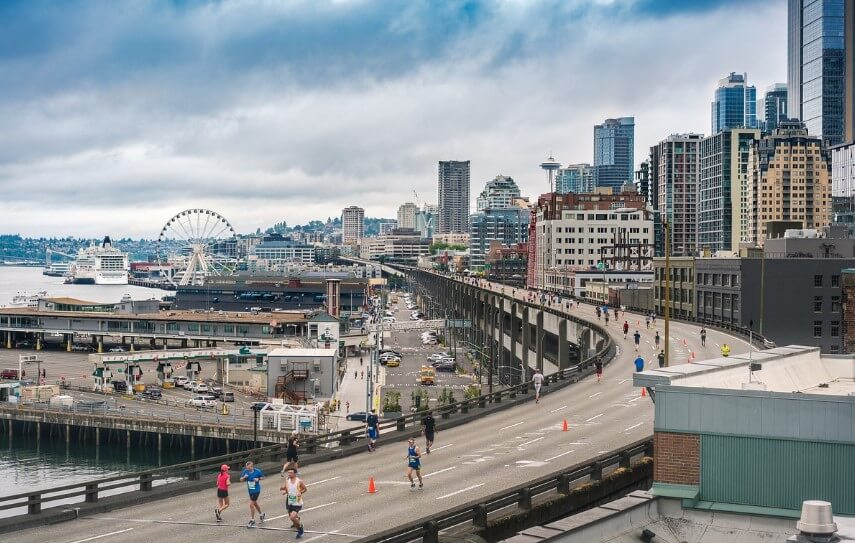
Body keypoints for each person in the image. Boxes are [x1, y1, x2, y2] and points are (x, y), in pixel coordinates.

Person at [280, 466, 307, 539]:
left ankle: (300, 529)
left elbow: (305, 489)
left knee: (292, 517)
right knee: (291, 516)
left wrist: (300, 492)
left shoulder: (299, 481)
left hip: (297, 501)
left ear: (295, 474)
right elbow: (287, 488)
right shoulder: (287, 480)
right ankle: (297, 521)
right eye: (288, 472)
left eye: (291, 473)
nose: (289, 474)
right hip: (290, 500)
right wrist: (284, 490)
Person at [240, 461, 265, 528]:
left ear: (252, 466)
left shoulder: (257, 471)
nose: (248, 469)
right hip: (250, 490)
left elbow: (263, 477)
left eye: (250, 467)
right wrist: (244, 477)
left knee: (251, 504)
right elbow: (240, 480)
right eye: (247, 467)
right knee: (255, 503)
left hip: (256, 490)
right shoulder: (245, 472)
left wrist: (258, 479)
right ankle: (261, 514)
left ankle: (252, 520)